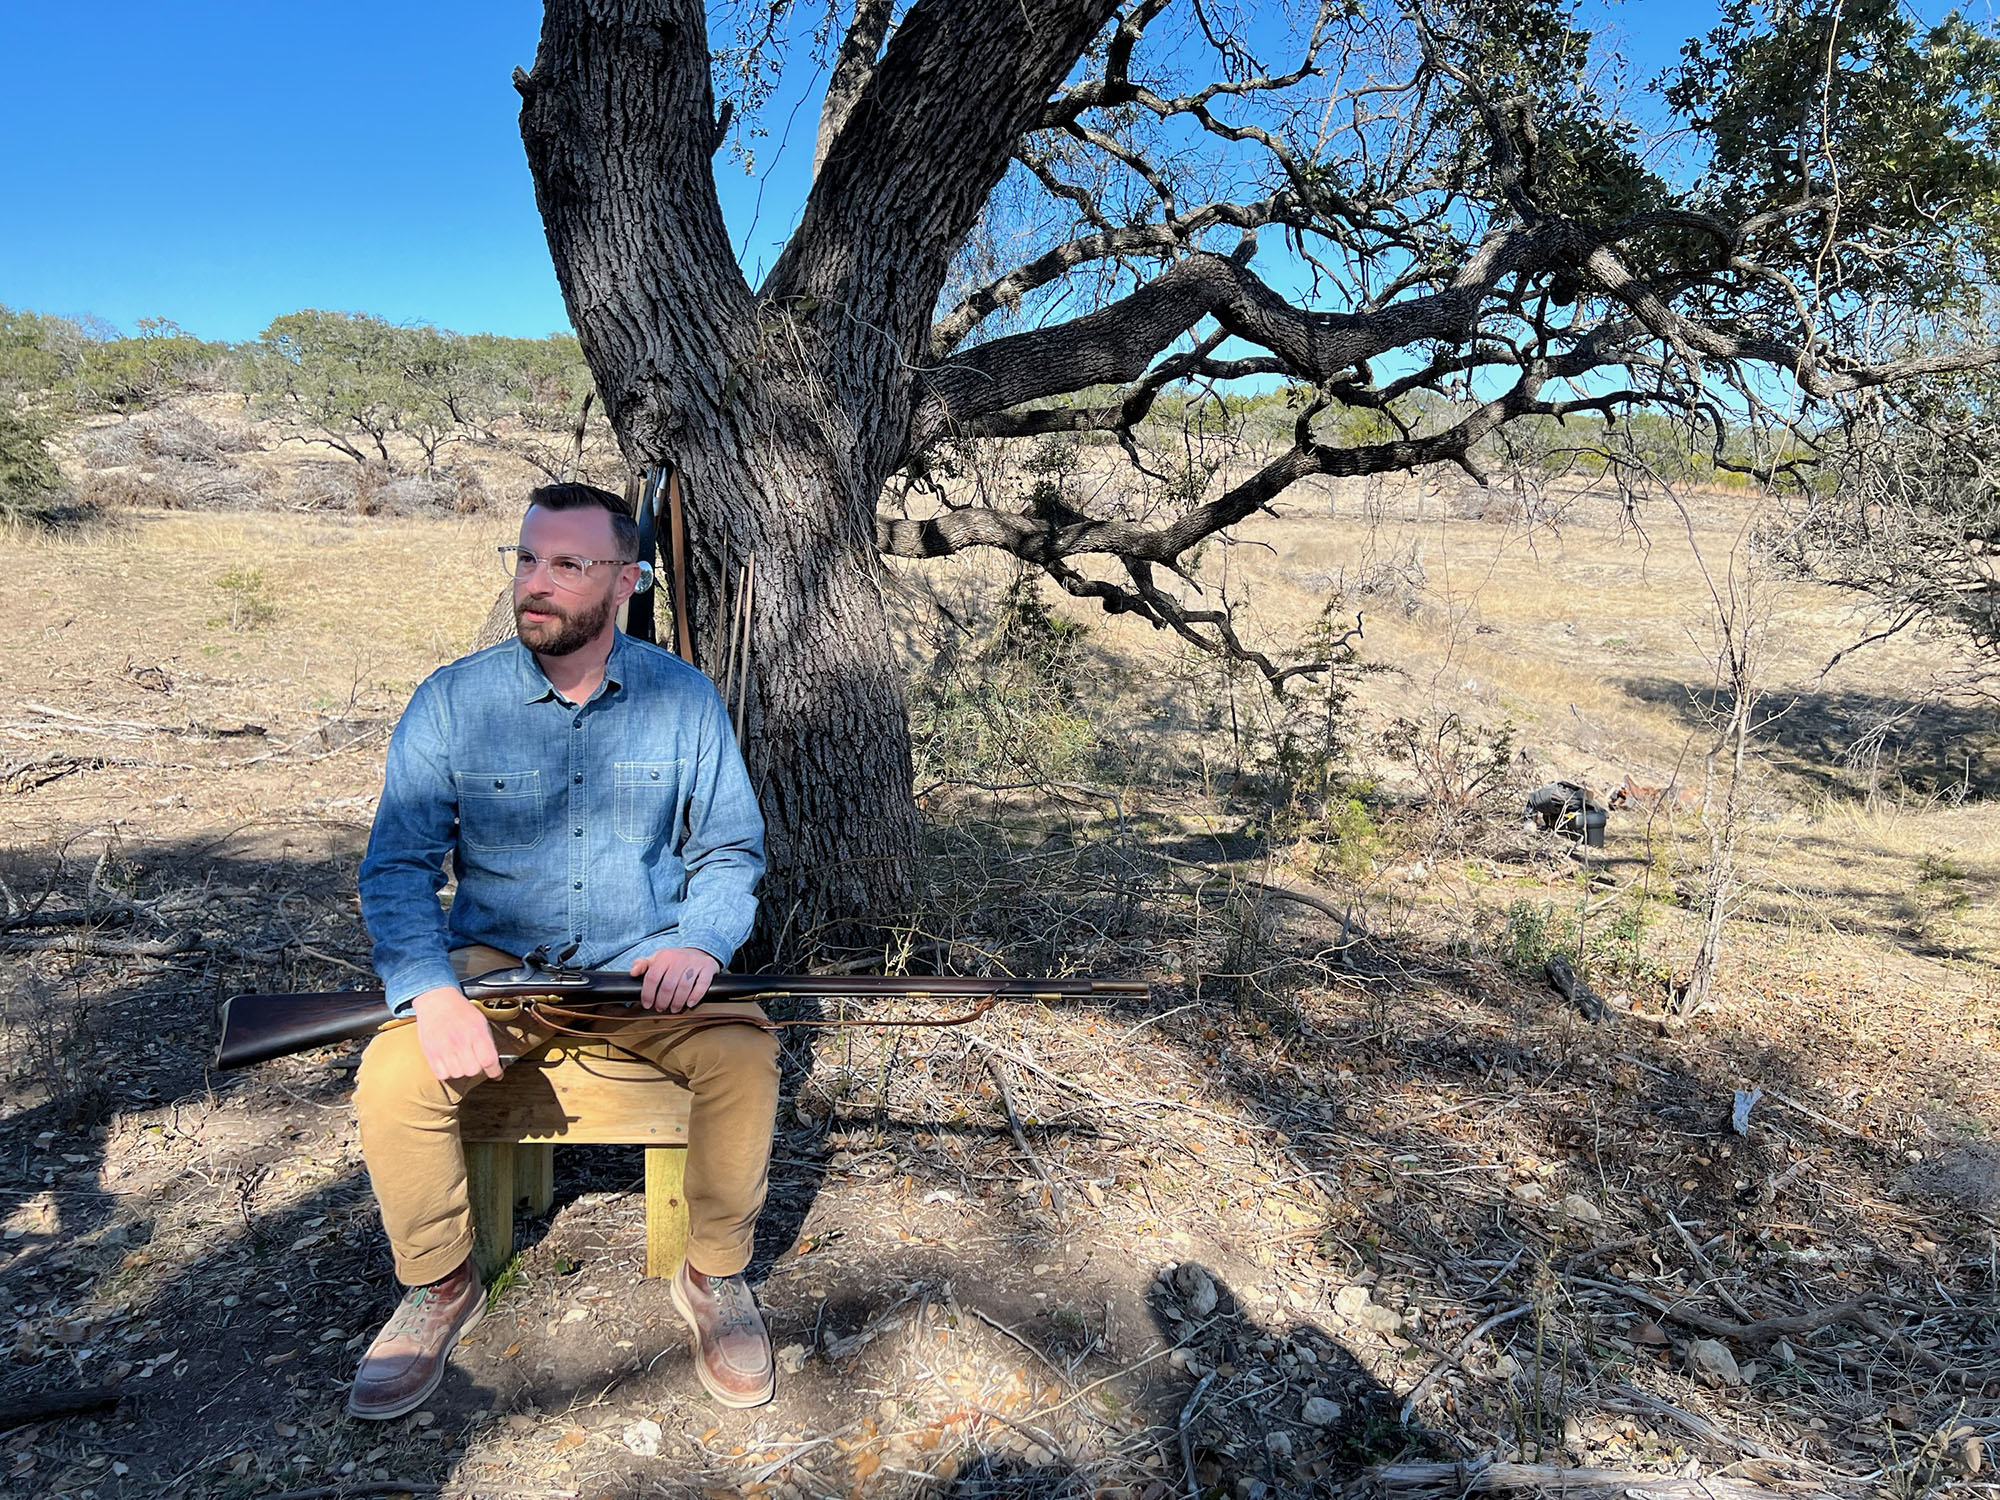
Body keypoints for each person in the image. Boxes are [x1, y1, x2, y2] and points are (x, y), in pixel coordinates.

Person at [346, 481, 779, 1420]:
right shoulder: (453, 701)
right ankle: (438, 1284)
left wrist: (702, 943)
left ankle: (713, 1274)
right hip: (494, 973)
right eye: (527, 559)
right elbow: (396, 868)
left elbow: (729, 848)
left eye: (568, 565)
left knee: (745, 1057)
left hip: (645, 973)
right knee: (390, 1078)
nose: (536, 584)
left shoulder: (682, 699)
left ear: (625, 580)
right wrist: (430, 993)